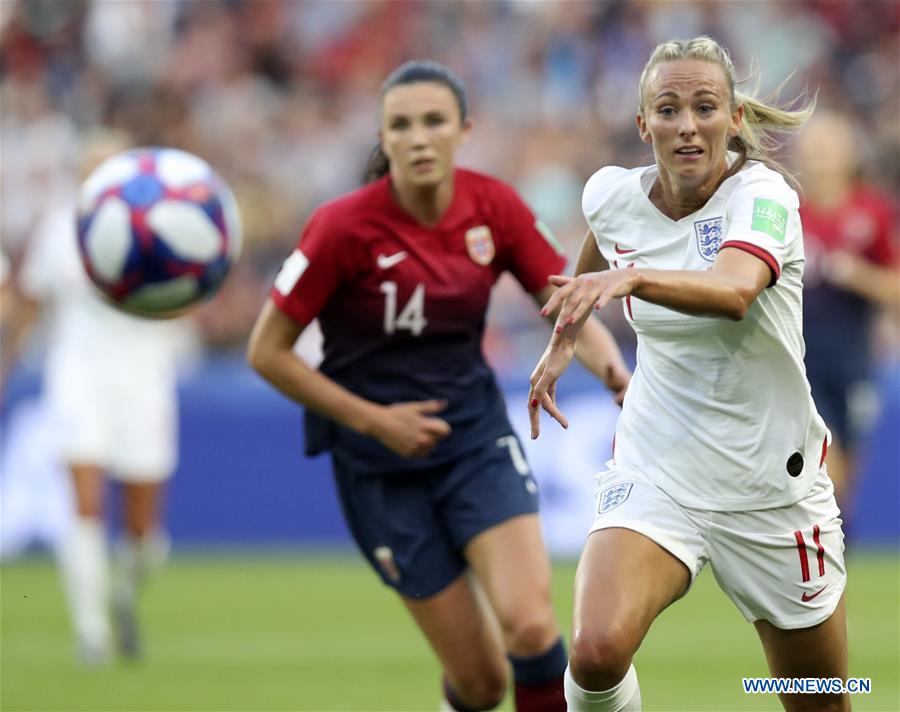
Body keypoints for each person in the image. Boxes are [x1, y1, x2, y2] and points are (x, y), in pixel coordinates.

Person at [247, 60, 630, 712]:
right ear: (383, 137)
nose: (419, 137)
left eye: (434, 122)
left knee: (534, 629)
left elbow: (565, 303)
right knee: (481, 684)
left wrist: (619, 379)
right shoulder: (341, 228)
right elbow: (267, 352)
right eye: (402, 125)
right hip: (380, 466)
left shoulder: (495, 208)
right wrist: (372, 420)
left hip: (475, 439)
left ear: (463, 131)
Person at [529, 37, 850, 711]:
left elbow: (734, 291)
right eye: (667, 109)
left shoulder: (764, 197)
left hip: (771, 485)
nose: (687, 124)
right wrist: (566, 337)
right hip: (659, 467)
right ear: (644, 124)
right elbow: (589, 272)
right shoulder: (611, 197)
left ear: (733, 119)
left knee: (816, 699)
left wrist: (633, 277)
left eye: (705, 106)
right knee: (593, 651)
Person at [2, 128, 191, 665]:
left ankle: (124, 595)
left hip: (145, 376)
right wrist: (5, 367)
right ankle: (91, 631)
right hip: (78, 373)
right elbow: (30, 301)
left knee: (145, 534)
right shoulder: (59, 228)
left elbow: (184, 301)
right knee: (83, 505)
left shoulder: (161, 227)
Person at [791, 110, 899, 519]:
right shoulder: (788, 214)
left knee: (844, 483)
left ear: (849, 155)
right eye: (811, 149)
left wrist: (857, 275)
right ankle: (819, 574)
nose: (817, 157)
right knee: (826, 473)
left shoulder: (872, 213)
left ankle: (833, 571)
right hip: (802, 360)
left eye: (826, 148)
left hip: (854, 359)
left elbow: (894, 287)